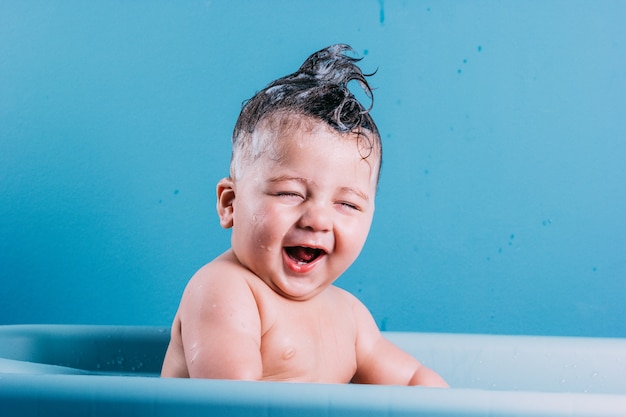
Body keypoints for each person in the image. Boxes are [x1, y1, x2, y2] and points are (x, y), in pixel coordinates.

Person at [161, 44, 448, 387]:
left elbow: (413, 381)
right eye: (290, 194)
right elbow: (231, 403)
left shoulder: (350, 316)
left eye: (347, 204)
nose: (317, 220)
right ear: (231, 204)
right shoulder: (226, 290)